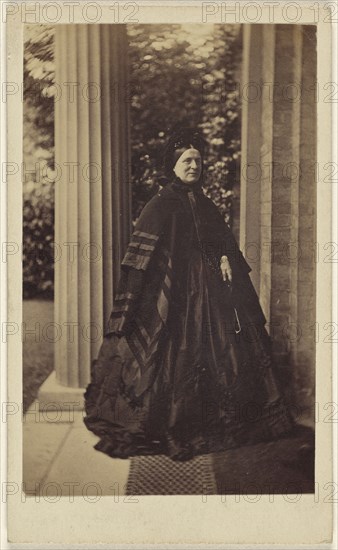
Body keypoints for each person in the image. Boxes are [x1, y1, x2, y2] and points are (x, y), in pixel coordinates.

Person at [83, 127, 294, 461]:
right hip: (172, 298)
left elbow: (219, 242)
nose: (193, 166)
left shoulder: (208, 205)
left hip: (212, 296)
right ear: (173, 165)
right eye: (186, 161)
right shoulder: (160, 204)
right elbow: (142, 259)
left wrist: (224, 257)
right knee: (173, 353)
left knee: (224, 350)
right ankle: (167, 423)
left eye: (197, 160)